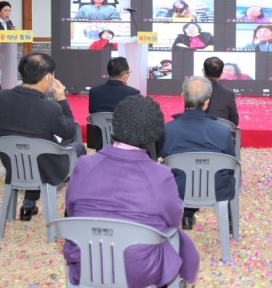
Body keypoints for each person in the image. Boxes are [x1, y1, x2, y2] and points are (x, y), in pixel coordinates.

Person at [64, 95, 200, 288]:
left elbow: (71, 210)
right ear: (155, 133)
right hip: (139, 271)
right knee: (176, 238)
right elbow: (173, 219)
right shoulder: (160, 175)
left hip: (88, 264)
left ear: (115, 124)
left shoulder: (84, 165)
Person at [0, 53, 87, 221]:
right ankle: (74, 207)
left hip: (14, 165)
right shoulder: (50, 108)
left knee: (31, 148)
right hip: (47, 167)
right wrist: (62, 100)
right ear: (49, 76)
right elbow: (69, 132)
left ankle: (28, 204)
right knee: (79, 148)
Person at [161, 77, 236, 230]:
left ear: (182, 96)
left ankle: (186, 216)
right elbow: (230, 166)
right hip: (216, 189)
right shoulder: (222, 131)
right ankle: (228, 222)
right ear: (207, 101)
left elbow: (165, 159)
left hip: (178, 190)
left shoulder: (168, 130)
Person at [87, 57, 141, 151]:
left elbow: (93, 113)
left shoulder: (94, 92)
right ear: (124, 75)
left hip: (101, 143)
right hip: (126, 145)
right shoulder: (133, 93)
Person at [203, 57, 239, 126]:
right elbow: (234, 122)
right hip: (221, 134)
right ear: (221, 73)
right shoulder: (229, 94)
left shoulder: (193, 90)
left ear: (203, 71)